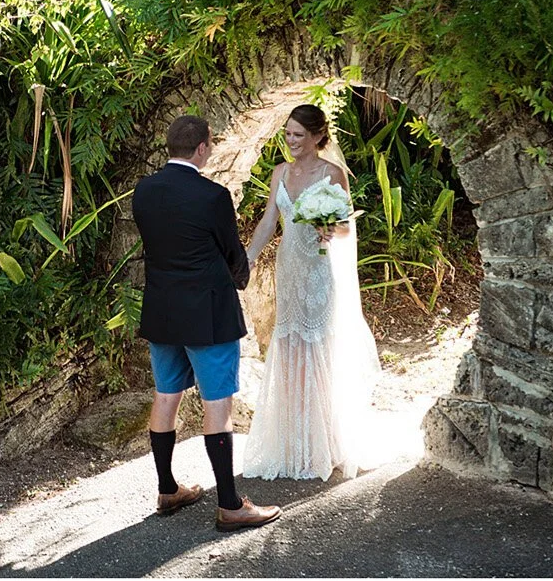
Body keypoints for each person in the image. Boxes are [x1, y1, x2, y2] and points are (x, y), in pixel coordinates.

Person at [131, 114, 282, 531]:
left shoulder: (144, 190)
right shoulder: (213, 195)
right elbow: (232, 252)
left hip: (162, 311)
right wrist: (241, 277)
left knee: (166, 396)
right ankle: (230, 504)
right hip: (208, 314)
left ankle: (167, 489)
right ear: (201, 148)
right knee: (218, 404)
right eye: (210, 144)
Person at [241, 103, 381, 480]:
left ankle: (326, 441)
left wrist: (329, 228)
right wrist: (249, 258)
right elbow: (270, 220)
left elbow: (348, 228)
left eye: (298, 135)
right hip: (290, 270)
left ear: (319, 136)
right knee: (290, 347)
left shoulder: (333, 174)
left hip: (321, 272)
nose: (291, 141)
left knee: (320, 348)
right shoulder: (279, 173)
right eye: (287, 134)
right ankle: (293, 442)